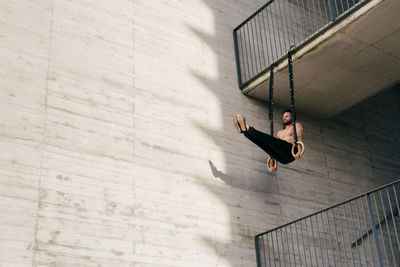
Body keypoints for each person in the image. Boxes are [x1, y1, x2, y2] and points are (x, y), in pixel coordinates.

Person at [233, 110, 303, 164]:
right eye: (283, 117)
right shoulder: (280, 132)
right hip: (283, 159)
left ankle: (248, 128)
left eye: (286, 116)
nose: (284, 118)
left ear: (292, 117)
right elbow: (273, 146)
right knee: (264, 145)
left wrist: (299, 151)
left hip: (291, 150)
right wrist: (272, 159)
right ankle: (245, 132)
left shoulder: (296, 125)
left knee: (268, 139)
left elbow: (299, 138)